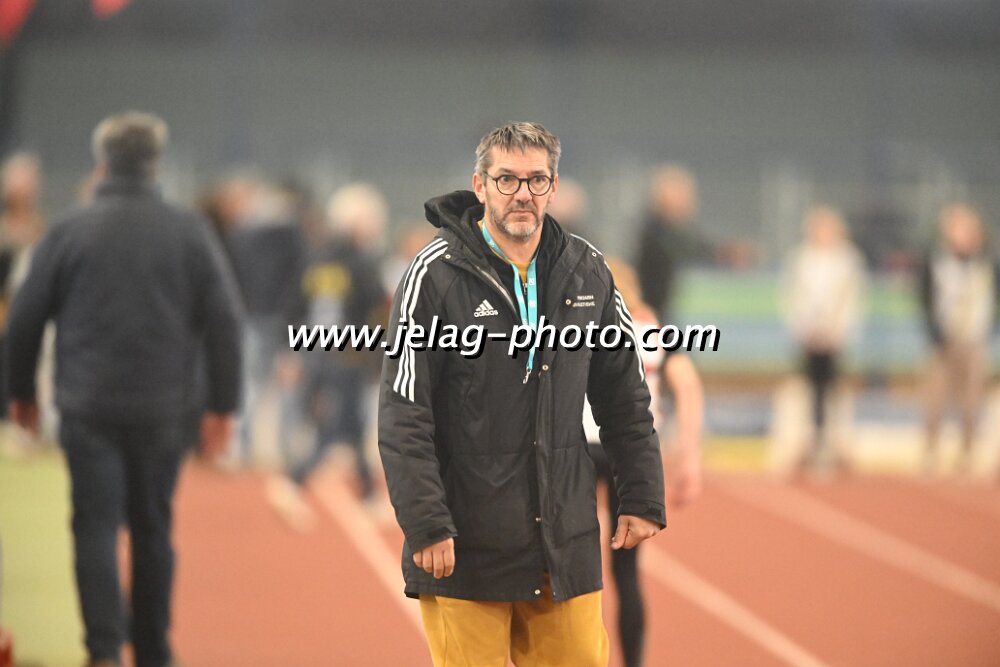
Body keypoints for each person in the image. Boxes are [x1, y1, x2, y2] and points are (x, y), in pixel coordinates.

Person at [378, 121, 665, 666]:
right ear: (480, 185)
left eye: (536, 180)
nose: (522, 194)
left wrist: (642, 493)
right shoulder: (434, 275)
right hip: (466, 547)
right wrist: (426, 523)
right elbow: (404, 412)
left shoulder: (588, 270)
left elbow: (625, 395)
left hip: (563, 544)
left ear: (553, 187)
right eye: (506, 179)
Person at [4, 111, 242, 667]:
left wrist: (21, 393)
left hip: (87, 406)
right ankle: (154, 649)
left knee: (94, 526)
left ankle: (104, 651)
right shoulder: (189, 232)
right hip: (164, 409)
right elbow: (225, 322)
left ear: (102, 164)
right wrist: (222, 406)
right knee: (153, 528)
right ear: (155, 165)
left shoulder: (68, 230)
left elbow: (24, 318)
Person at [584, 257, 703, 667]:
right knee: (627, 572)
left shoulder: (575, 322)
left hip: (580, 449)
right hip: (630, 453)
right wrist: (689, 456)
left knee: (575, 568)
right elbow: (688, 387)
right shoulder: (655, 328)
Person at [267, 183, 388, 530]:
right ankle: (293, 481)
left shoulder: (316, 259)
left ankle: (368, 496)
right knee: (337, 427)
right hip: (347, 354)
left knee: (350, 426)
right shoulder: (360, 262)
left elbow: (293, 307)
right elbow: (378, 309)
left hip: (315, 351)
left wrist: (290, 353)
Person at [781, 206, 865, 474]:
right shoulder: (801, 258)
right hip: (808, 336)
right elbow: (791, 297)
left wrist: (839, 331)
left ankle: (837, 446)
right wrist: (802, 329)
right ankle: (807, 446)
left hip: (835, 337)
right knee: (808, 392)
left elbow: (853, 300)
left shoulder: (848, 260)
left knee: (835, 393)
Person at [918, 203, 999, 476]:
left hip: (975, 338)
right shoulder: (937, 262)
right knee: (935, 398)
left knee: (972, 399)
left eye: (967, 230)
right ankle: (931, 450)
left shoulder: (986, 264)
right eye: (957, 230)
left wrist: (989, 329)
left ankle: (968, 451)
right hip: (944, 339)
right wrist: (935, 330)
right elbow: (925, 298)